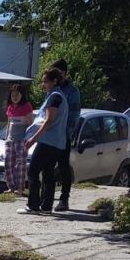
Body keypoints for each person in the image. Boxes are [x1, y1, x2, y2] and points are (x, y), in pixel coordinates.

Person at [23, 68, 68, 215]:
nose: (43, 84)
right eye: (42, 81)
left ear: (54, 81)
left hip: (48, 141)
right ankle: (46, 206)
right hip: (58, 143)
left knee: (32, 171)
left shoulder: (54, 97)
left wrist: (33, 139)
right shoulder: (60, 95)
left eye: (46, 81)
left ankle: (33, 205)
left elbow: (48, 120)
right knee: (48, 173)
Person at [51, 59, 82, 212]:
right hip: (49, 136)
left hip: (63, 136)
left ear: (63, 73)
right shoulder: (51, 89)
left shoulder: (71, 91)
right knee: (47, 167)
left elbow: (74, 117)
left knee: (63, 168)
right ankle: (47, 198)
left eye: (58, 72)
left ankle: (64, 199)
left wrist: (65, 135)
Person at [4, 84, 33, 196]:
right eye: (12, 95)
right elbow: (8, 123)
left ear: (22, 95)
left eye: (17, 94)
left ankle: (20, 188)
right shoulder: (10, 107)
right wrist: (6, 138)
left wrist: (28, 140)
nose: (15, 97)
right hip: (10, 139)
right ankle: (11, 187)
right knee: (7, 162)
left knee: (20, 164)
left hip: (21, 140)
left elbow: (31, 124)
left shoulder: (26, 106)